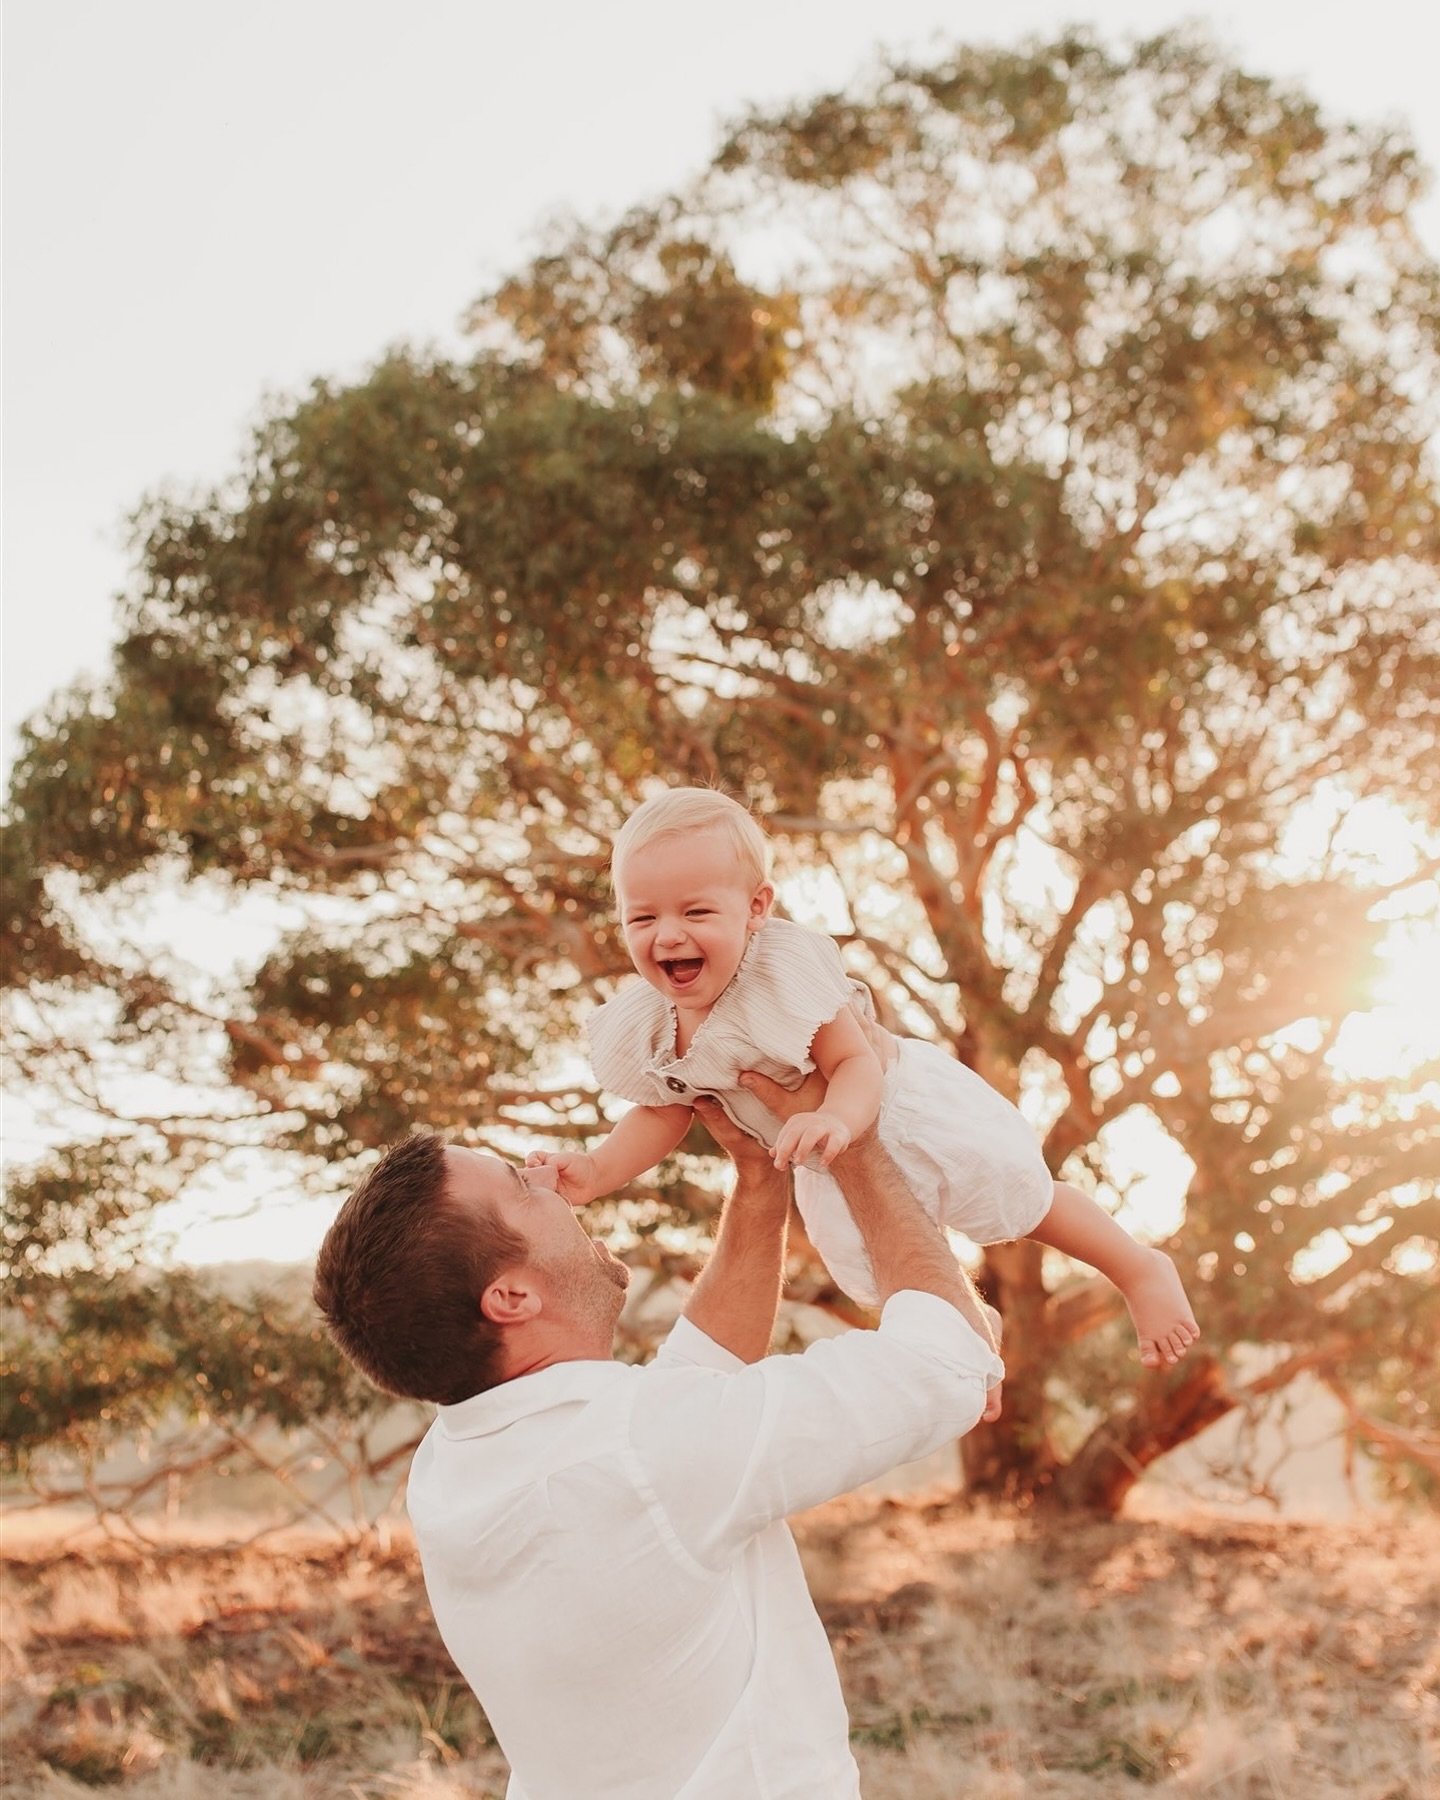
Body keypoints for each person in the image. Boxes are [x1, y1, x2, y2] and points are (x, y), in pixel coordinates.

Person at [313, 1075, 1004, 1800]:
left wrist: (760, 1183)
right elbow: (945, 1361)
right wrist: (849, 1136)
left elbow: (689, 1391)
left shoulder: (454, 1461)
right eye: (522, 1186)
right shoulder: (641, 1452)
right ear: (511, 1297)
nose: (548, 1175)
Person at [529, 786, 1198, 1369]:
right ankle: (969, 1331)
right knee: (880, 1266)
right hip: (822, 1159)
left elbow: (852, 1063)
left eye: (696, 913)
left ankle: (1138, 1266)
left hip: (897, 1105)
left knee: (1019, 1192)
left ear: (756, 908)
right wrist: (595, 1170)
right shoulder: (654, 1027)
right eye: (642, 918)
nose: (666, 935)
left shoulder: (779, 974)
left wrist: (836, 1119)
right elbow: (661, 1114)